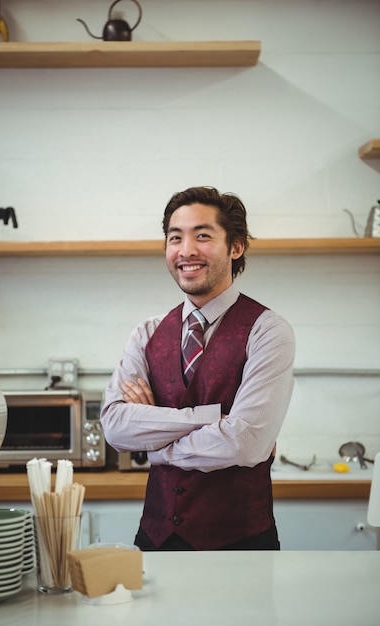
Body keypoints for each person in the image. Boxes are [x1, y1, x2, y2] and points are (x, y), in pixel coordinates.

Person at [101, 186, 295, 551]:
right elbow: (115, 426)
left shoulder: (269, 331)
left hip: (241, 545)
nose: (186, 250)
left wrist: (155, 443)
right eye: (175, 238)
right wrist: (211, 418)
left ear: (235, 247)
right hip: (154, 539)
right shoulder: (146, 333)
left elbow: (246, 442)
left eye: (202, 236)